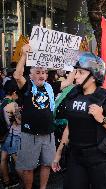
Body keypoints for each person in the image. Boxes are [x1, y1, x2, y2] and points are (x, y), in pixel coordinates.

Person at [52, 52, 106, 189]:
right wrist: (58, 154)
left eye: (80, 72)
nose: (75, 76)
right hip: (77, 158)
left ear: (93, 76)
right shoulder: (73, 94)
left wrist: (102, 119)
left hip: (101, 160)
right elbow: (70, 126)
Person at [13, 44, 57, 189]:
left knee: (46, 164)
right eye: (38, 72)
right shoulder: (27, 86)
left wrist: (73, 63)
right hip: (30, 134)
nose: (42, 75)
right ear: (31, 75)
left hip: (48, 134)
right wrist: (24, 55)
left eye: (44, 72)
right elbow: (17, 75)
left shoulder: (50, 87)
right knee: (28, 167)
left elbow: (69, 82)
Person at [0, 80, 21, 188]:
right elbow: (19, 121)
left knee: (3, 158)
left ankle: (6, 181)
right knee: (18, 160)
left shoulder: (2, 102)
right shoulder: (13, 104)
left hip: (3, 134)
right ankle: (27, 181)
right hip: (13, 135)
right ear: (13, 92)